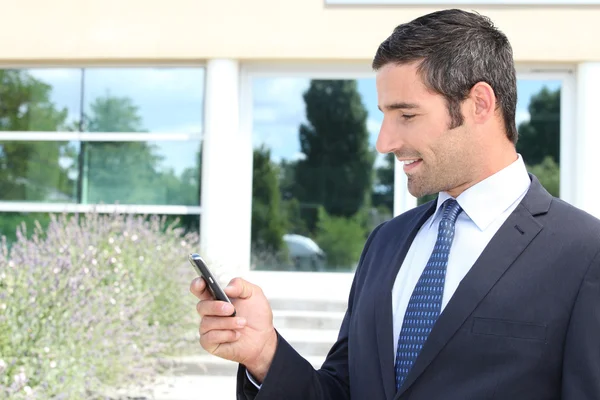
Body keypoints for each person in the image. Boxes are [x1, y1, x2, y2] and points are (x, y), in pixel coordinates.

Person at [190, 8, 600, 399]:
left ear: (479, 103)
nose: (384, 143)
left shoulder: (585, 253)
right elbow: (342, 390)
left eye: (406, 116)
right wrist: (264, 354)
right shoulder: (386, 243)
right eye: (385, 116)